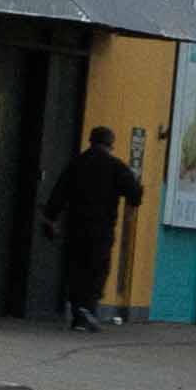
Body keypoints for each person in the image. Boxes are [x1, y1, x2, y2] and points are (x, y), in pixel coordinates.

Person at [42, 126, 143, 333]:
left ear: (90, 141)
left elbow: (58, 194)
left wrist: (51, 217)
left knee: (76, 267)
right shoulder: (115, 166)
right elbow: (133, 193)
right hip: (101, 228)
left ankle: (79, 313)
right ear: (110, 144)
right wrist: (137, 193)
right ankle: (88, 309)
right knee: (97, 268)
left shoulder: (76, 164)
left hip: (76, 226)